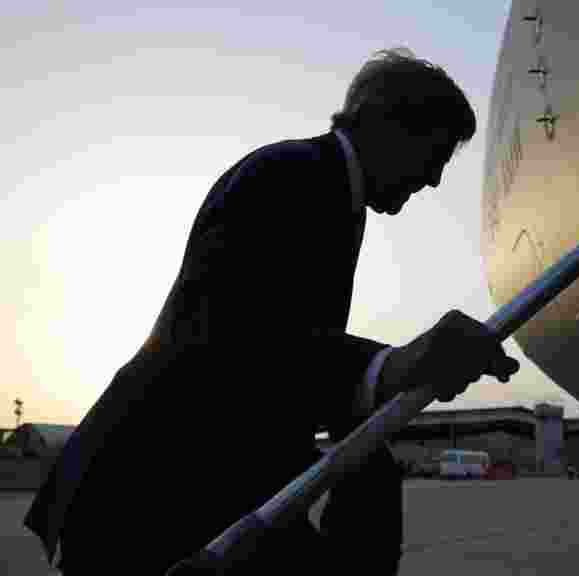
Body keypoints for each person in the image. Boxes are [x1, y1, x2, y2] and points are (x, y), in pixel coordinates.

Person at [24, 47, 519, 575]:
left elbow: (275, 367)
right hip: (150, 489)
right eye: (435, 153)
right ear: (384, 122)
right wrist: (394, 366)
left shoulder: (331, 190)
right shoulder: (290, 176)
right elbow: (233, 341)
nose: (436, 180)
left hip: (200, 480)